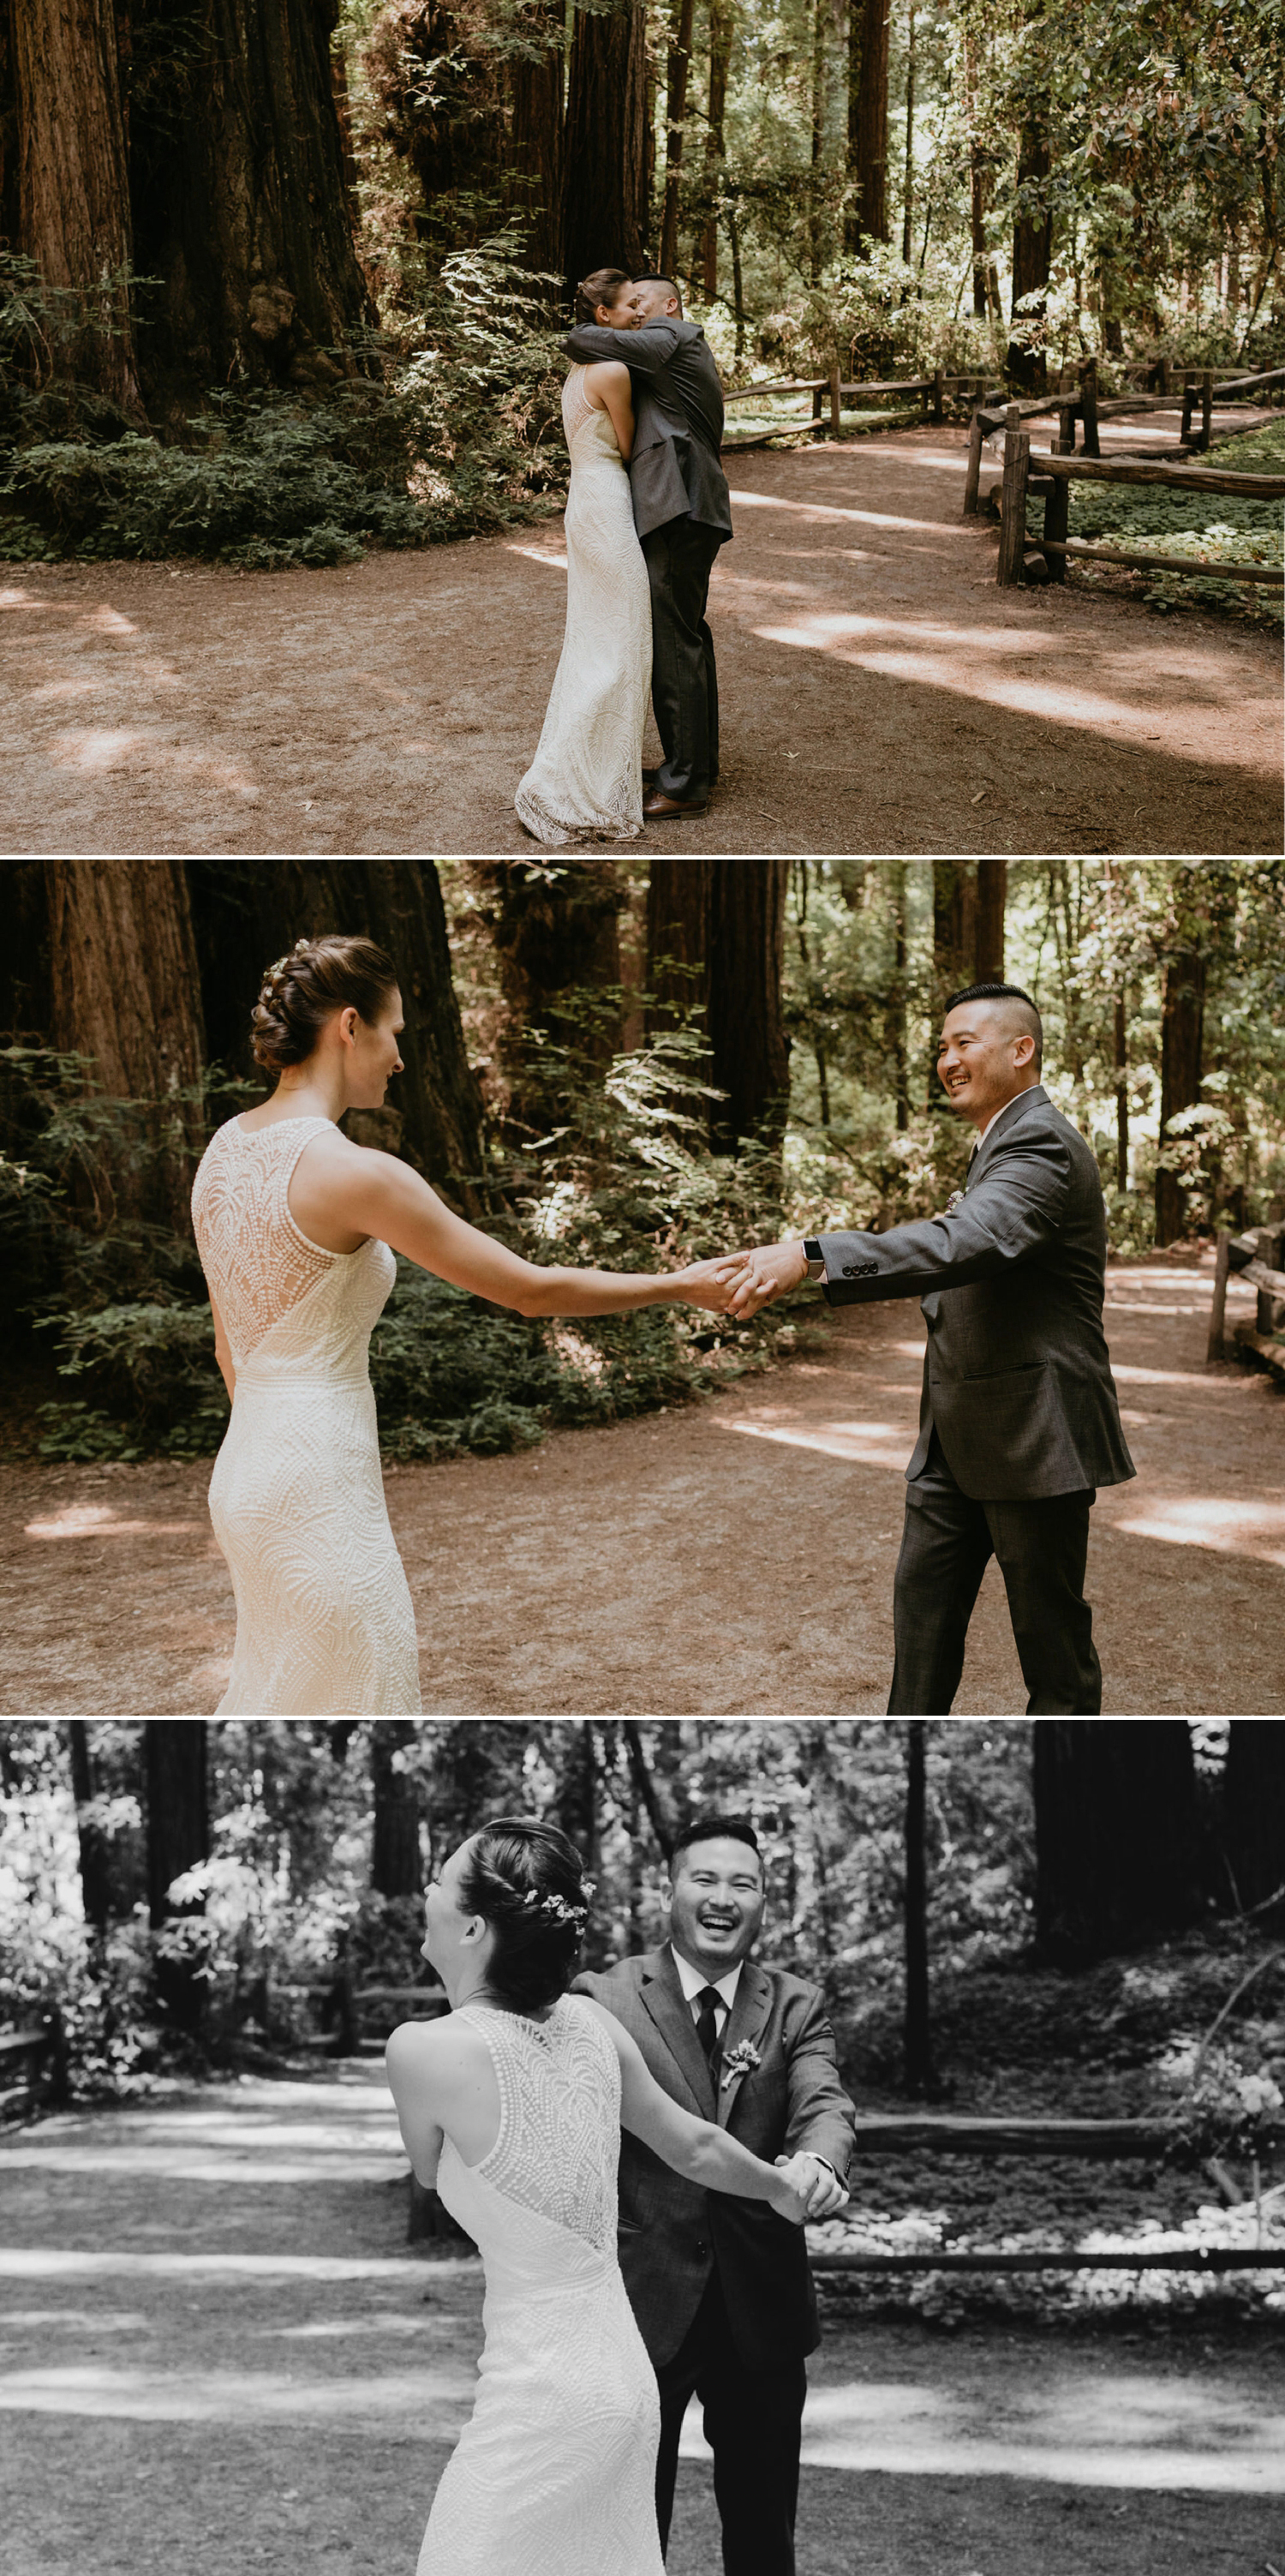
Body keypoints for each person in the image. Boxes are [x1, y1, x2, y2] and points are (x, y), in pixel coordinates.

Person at [191, 934, 749, 1716]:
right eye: (395, 1035)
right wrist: (678, 1283)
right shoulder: (354, 1172)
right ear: (350, 1026)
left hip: (245, 1473)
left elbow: (228, 1349)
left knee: (278, 1693)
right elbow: (527, 1289)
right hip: (316, 1479)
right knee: (366, 1689)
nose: (401, 1059)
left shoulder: (222, 1151)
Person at [386, 1818, 814, 2576]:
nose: (428, 1890)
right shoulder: (592, 2023)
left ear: (474, 1924)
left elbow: (429, 2171)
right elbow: (696, 2145)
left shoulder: (421, 2049)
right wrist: (782, 2185)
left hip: (538, 2392)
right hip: (623, 2380)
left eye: (441, 1879)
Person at [730, 980, 1137, 1716]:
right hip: (951, 1444)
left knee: (1053, 1659)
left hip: (1034, 1440)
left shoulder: (1042, 1142)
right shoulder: (997, 1145)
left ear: (1022, 1050)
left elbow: (967, 1242)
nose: (947, 1059)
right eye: (942, 1047)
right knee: (918, 1654)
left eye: (964, 1044)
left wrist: (816, 1254)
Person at [574, 1814, 855, 2576]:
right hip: (641, 2301)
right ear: (670, 1890)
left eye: (744, 1884)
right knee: (627, 2532)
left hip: (760, 2309)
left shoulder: (795, 2005)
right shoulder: (602, 1997)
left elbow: (823, 2102)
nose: (723, 1897)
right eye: (706, 1879)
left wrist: (820, 2165)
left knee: (765, 2536)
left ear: (765, 1902)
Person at [565, 273, 732, 823]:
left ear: (670, 305)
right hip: (686, 503)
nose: (638, 314)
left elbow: (582, 340)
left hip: (678, 503)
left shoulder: (674, 335)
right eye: (629, 305)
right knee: (687, 635)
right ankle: (693, 765)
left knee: (673, 639)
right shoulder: (662, 355)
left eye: (645, 304)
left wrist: (602, 318)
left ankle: (685, 785)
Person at [515, 270, 652, 844]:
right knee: (623, 643)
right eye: (629, 306)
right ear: (602, 315)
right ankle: (579, 780)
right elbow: (628, 444)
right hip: (609, 500)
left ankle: (593, 766)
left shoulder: (577, 372)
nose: (640, 312)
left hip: (584, 499)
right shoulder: (615, 370)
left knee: (598, 639)